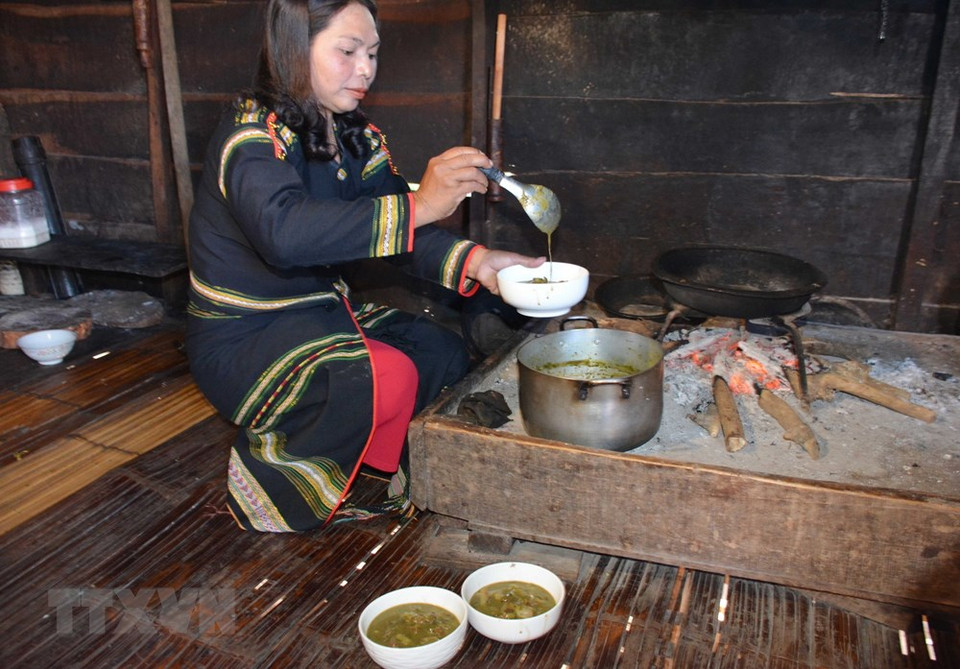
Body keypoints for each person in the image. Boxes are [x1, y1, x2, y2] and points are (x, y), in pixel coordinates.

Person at [185, 0, 543, 532]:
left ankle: (400, 470)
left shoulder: (356, 137)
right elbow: (285, 234)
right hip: (242, 334)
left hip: (320, 312)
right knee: (382, 374)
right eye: (347, 51)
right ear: (292, 48)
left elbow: (400, 235)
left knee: (441, 350)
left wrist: (481, 260)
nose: (366, 69)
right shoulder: (252, 135)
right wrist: (422, 204)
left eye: (372, 53)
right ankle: (281, 492)